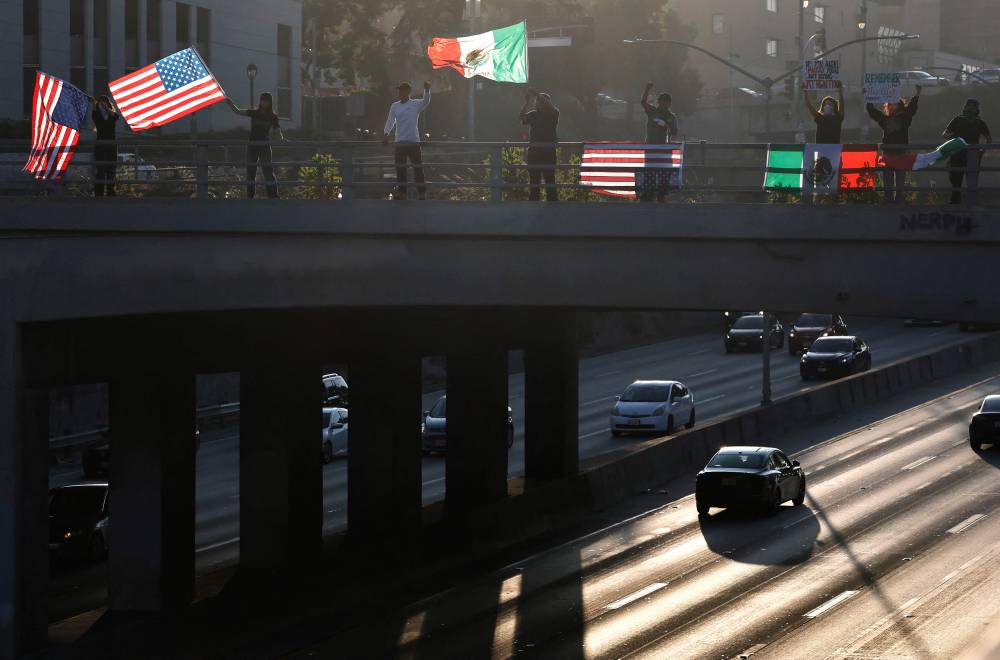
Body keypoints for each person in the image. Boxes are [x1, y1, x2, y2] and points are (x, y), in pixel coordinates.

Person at [866, 85, 921, 203]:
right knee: (888, 178)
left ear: (900, 105)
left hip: (900, 152)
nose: (892, 105)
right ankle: (888, 198)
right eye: (890, 104)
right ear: (888, 106)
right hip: (888, 153)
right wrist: (868, 97)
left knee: (900, 178)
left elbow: (911, 108)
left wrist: (917, 94)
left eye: (894, 103)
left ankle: (899, 198)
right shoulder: (884, 119)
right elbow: (872, 112)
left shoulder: (905, 117)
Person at [226, 92, 285, 199]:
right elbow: (238, 111)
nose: (264, 103)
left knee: (268, 171)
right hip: (252, 145)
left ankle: (273, 196)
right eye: (262, 100)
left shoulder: (273, 116)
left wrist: (282, 139)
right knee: (250, 171)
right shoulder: (254, 113)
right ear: (260, 101)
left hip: (265, 145)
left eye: (266, 101)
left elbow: (277, 130)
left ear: (270, 102)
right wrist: (230, 104)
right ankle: (250, 196)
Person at [383, 81, 432, 200]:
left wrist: (426, 90)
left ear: (408, 92)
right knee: (400, 169)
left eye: (402, 90)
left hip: (414, 141)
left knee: (418, 168)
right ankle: (402, 193)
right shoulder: (395, 106)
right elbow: (390, 121)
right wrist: (386, 133)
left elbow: (426, 101)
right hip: (400, 142)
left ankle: (421, 193)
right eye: (399, 90)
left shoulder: (415, 104)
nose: (400, 93)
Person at [942, 98, 992, 205]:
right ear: (965, 107)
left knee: (972, 184)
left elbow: (989, 139)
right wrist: (951, 140)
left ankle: (972, 207)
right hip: (957, 154)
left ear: (976, 109)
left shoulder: (979, 122)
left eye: (973, 107)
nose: (970, 108)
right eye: (969, 106)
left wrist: (981, 152)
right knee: (956, 184)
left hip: (972, 155)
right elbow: (945, 134)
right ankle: (955, 206)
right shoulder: (958, 119)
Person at [639, 82, 679, 202]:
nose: (664, 104)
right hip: (650, 148)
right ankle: (648, 195)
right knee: (649, 173)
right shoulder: (652, 111)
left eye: (666, 102)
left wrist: (666, 125)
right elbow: (643, 103)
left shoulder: (672, 117)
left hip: (664, 150)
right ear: (658, 102)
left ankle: (661, 195)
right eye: (662, 101)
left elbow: (675, 132)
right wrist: (647, 89)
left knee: (664, 173)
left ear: (670, 103)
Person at [519, 88, 560, 201]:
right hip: (534, 152)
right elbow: (522, 118)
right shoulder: (534, 114)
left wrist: (535, 93)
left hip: (548, 151)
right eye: (537, 101)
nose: (537, 103)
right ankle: (534, 203)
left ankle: (552, 205)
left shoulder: (553, 114)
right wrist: (526, 104)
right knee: (534, 181)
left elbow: (549, 106)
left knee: (550, 180)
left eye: (539, 101)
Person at [92, 95, 119, 197]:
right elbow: (94, 115)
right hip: (100, 144)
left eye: (104, 102)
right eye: (101, 102)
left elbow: (116, 117)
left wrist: (107, 109)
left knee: (111, 170)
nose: (102, 104)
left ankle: (110, 192)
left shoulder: (112, 114)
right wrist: (95, 104)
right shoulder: (97, 114)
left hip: (111, 145)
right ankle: (99, 193)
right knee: (100, 171)